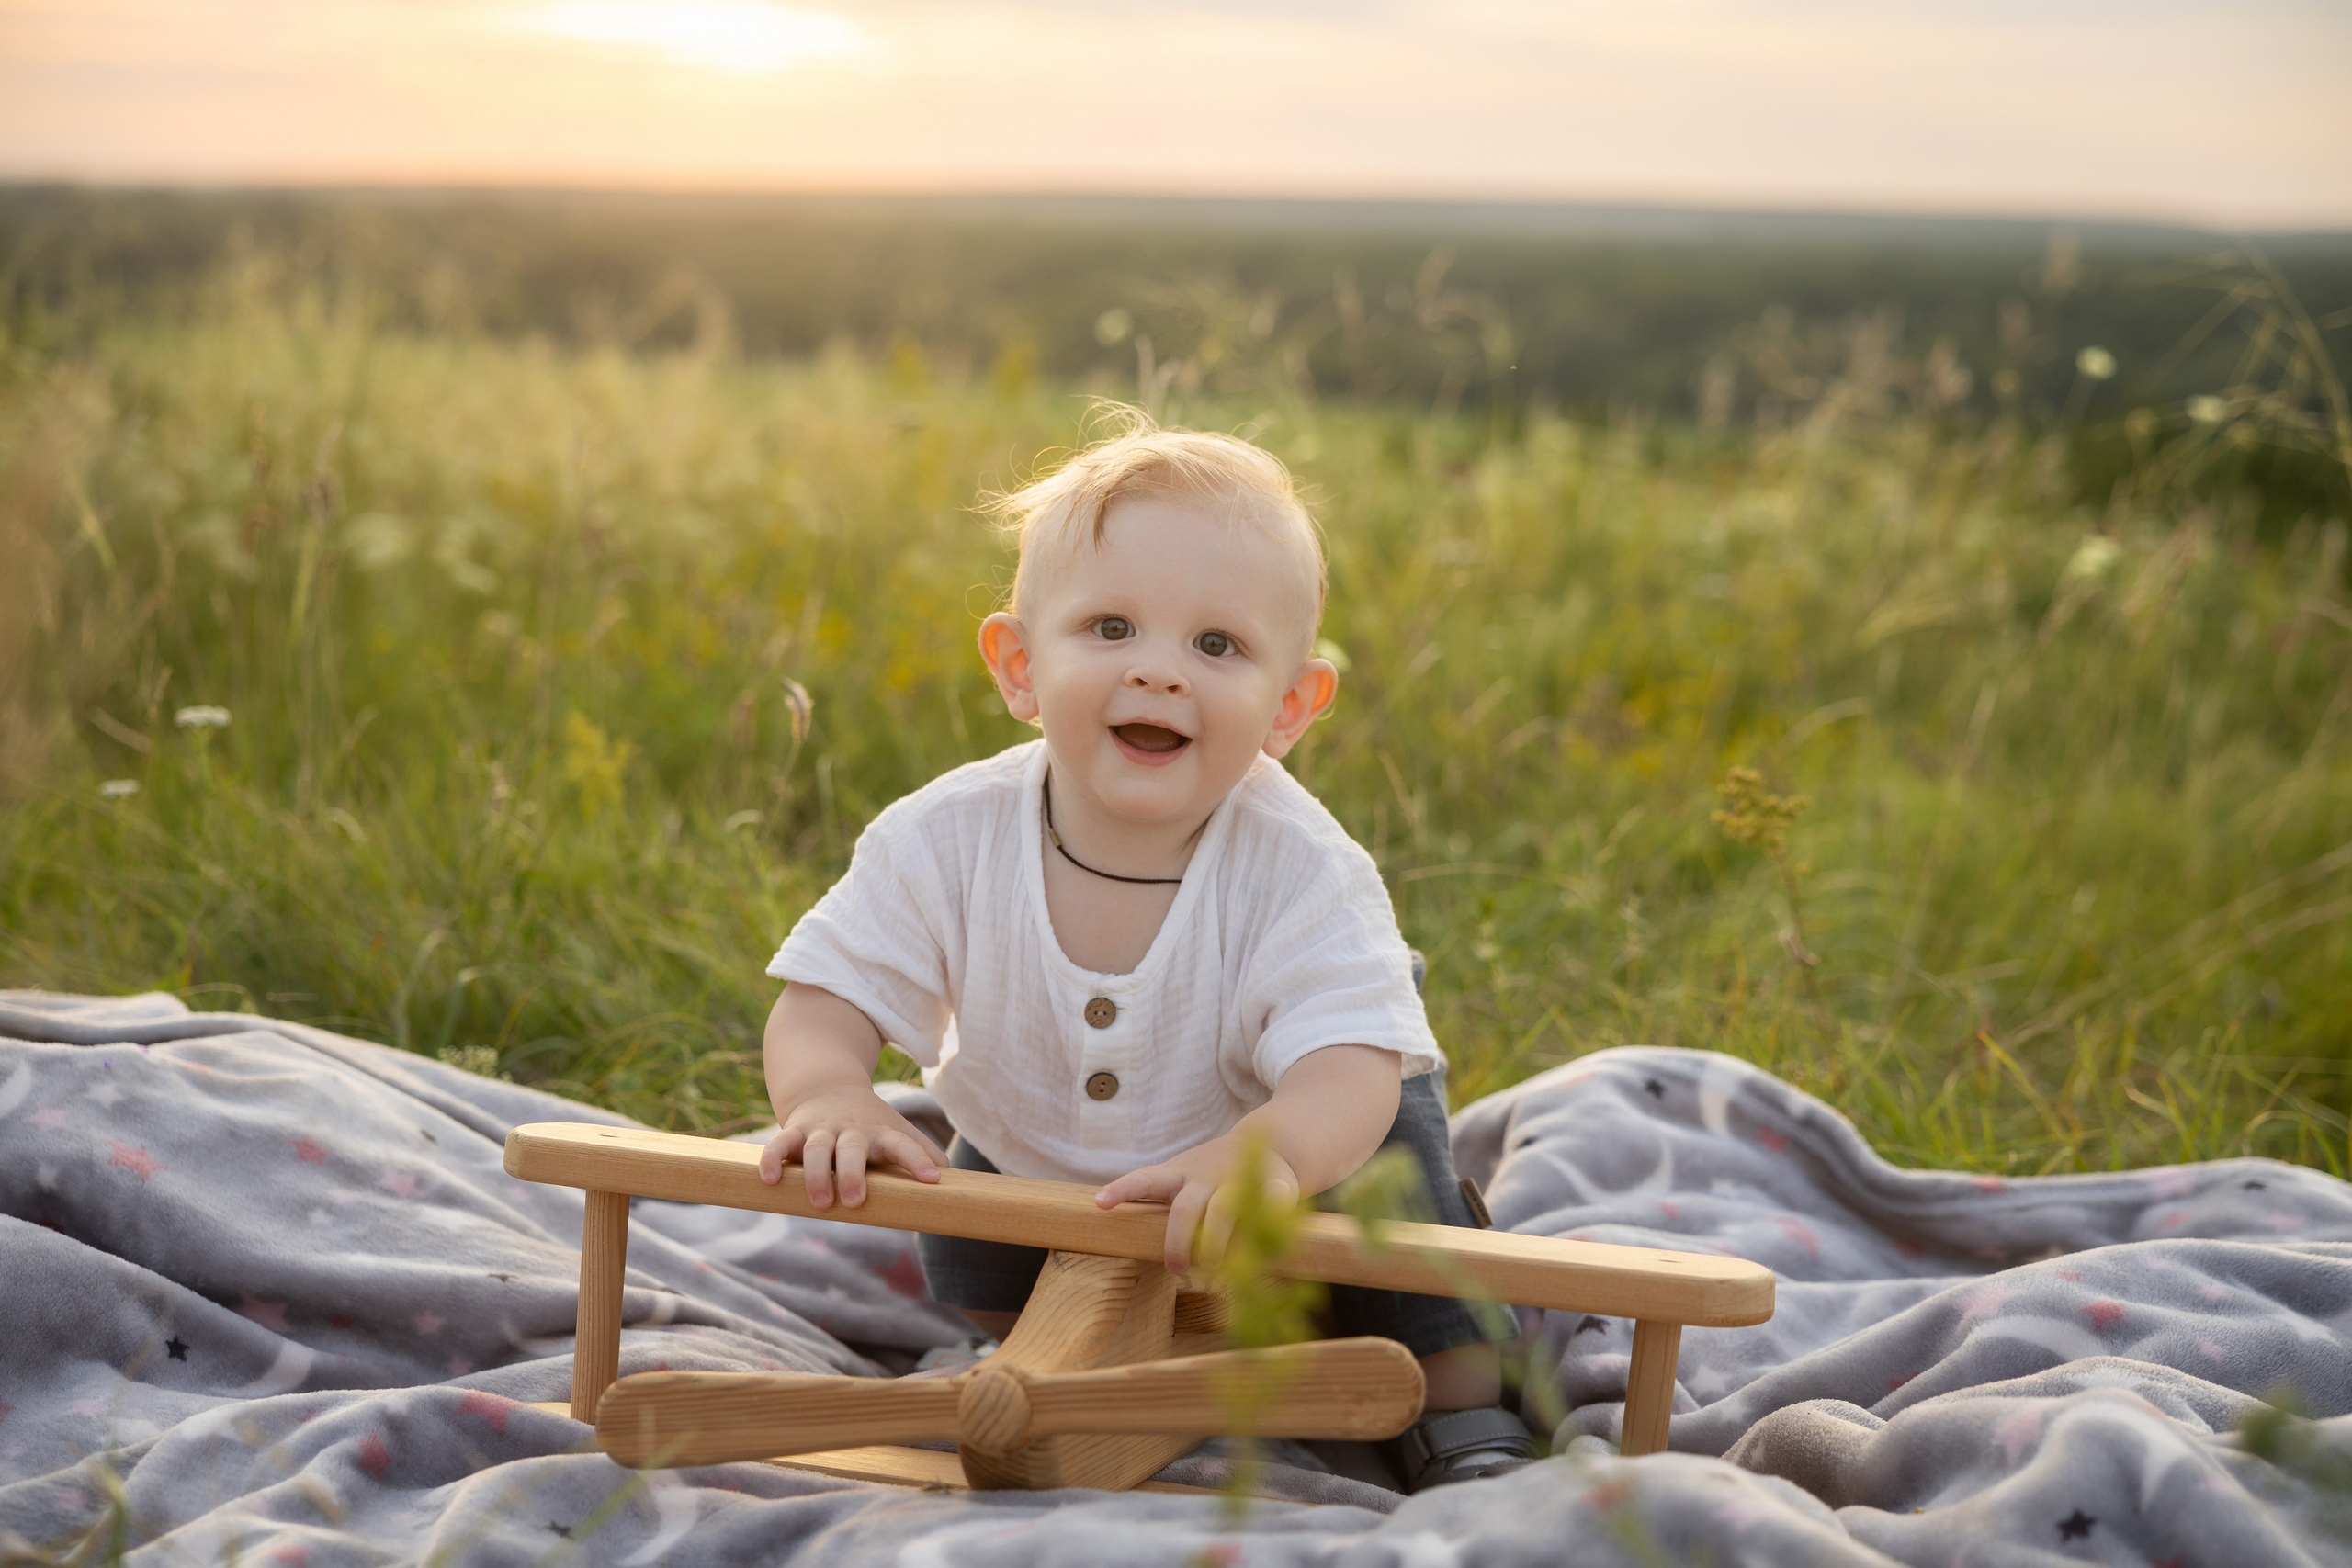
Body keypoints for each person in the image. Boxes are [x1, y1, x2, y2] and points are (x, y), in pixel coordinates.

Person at [755, 409, 1536, 1490]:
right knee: (971, 1249)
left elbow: (1342, 1073)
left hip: (1287, 1136)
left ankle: (1460, 1408)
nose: (1159, 673)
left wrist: (1272, 1155)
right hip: (1042, 1148)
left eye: (1217, 646)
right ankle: (1026, 1345)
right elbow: (825, 994)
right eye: (1111, 629)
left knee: (1391, 1198)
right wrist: (826, 1092)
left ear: (1290, 705)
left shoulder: (1302, 867)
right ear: (1019, 667)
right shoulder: (945, 834)